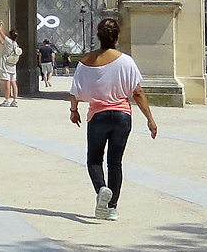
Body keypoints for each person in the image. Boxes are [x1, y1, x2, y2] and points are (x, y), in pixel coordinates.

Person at [68, 18, 159, 221]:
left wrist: (74, 111)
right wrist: (150, 119)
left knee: (94, 159)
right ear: (117, 37)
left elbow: (75, 91)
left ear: (98, 37)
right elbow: (137, 92)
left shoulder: (85, 62)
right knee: (115, 163)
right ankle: (112, 208)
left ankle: (101, 189)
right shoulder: (126, 61)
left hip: (97, 116)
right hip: (121, 116)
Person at [0, 26, 22, 107]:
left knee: (7, 83)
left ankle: (7, 100)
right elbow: (2, 42)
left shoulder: (9, 41)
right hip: (12, 65)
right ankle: (15, 100)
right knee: (13, 82)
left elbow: (1, 32)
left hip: (6, 64)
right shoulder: (15, 44)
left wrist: (0, 26)